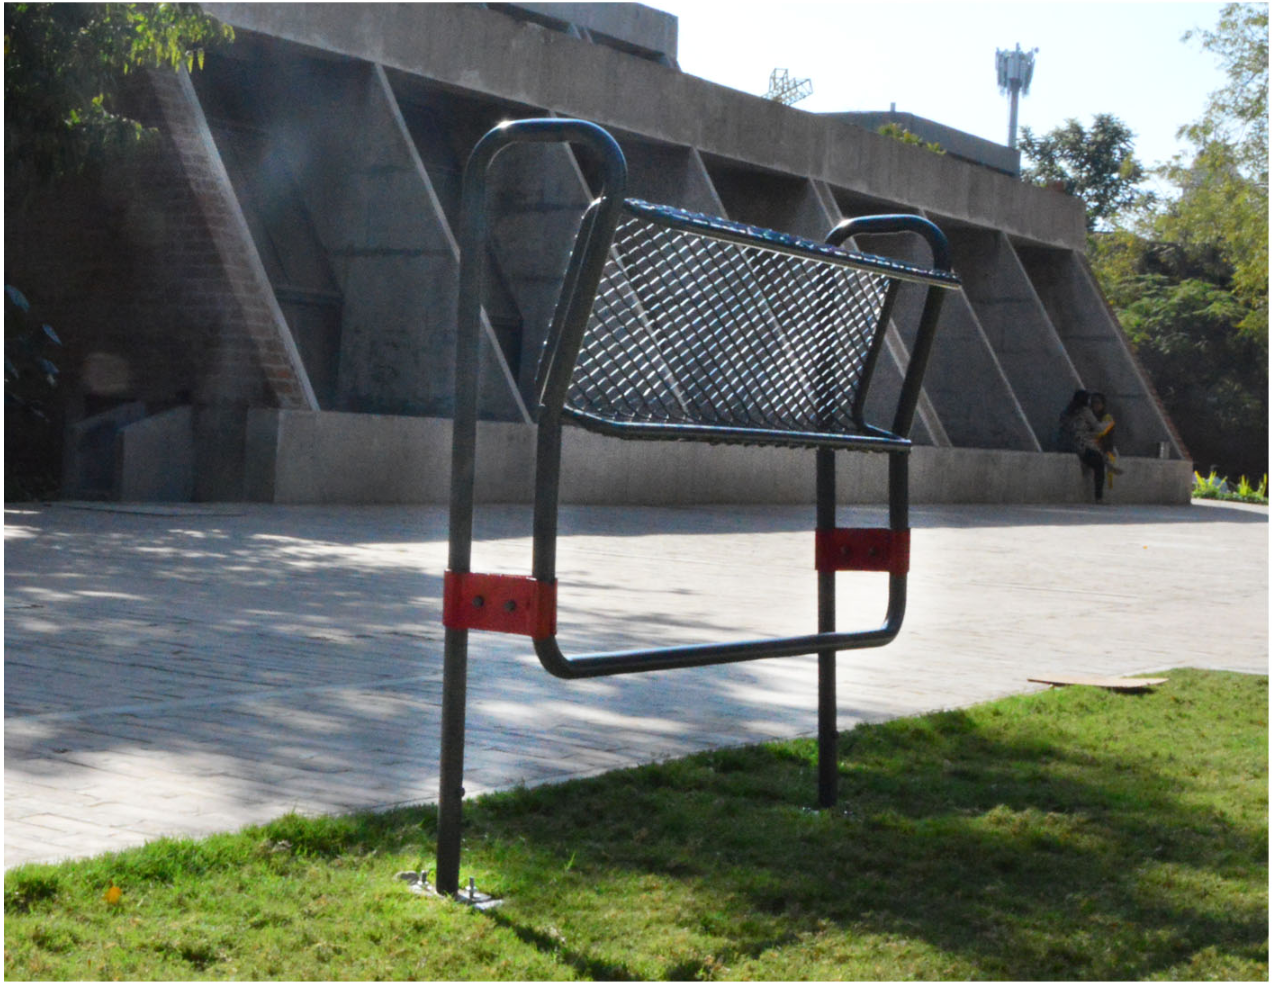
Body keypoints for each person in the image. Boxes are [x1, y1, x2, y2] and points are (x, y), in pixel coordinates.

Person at [1059, 389, 1106, 502]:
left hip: (1065, 444)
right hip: (1081, 447)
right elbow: (1098, 429)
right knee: (1100, 463)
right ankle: (1098, 497)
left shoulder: (1066, 411)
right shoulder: (1085, 411)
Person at [1088, 392, 1123, 489]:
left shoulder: (1107, 417)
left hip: (1102, 445)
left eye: (1098, 403)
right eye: (1094, 403)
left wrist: (1107, 447)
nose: (1096, 405)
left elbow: (1103, 433)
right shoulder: (1088, 415)